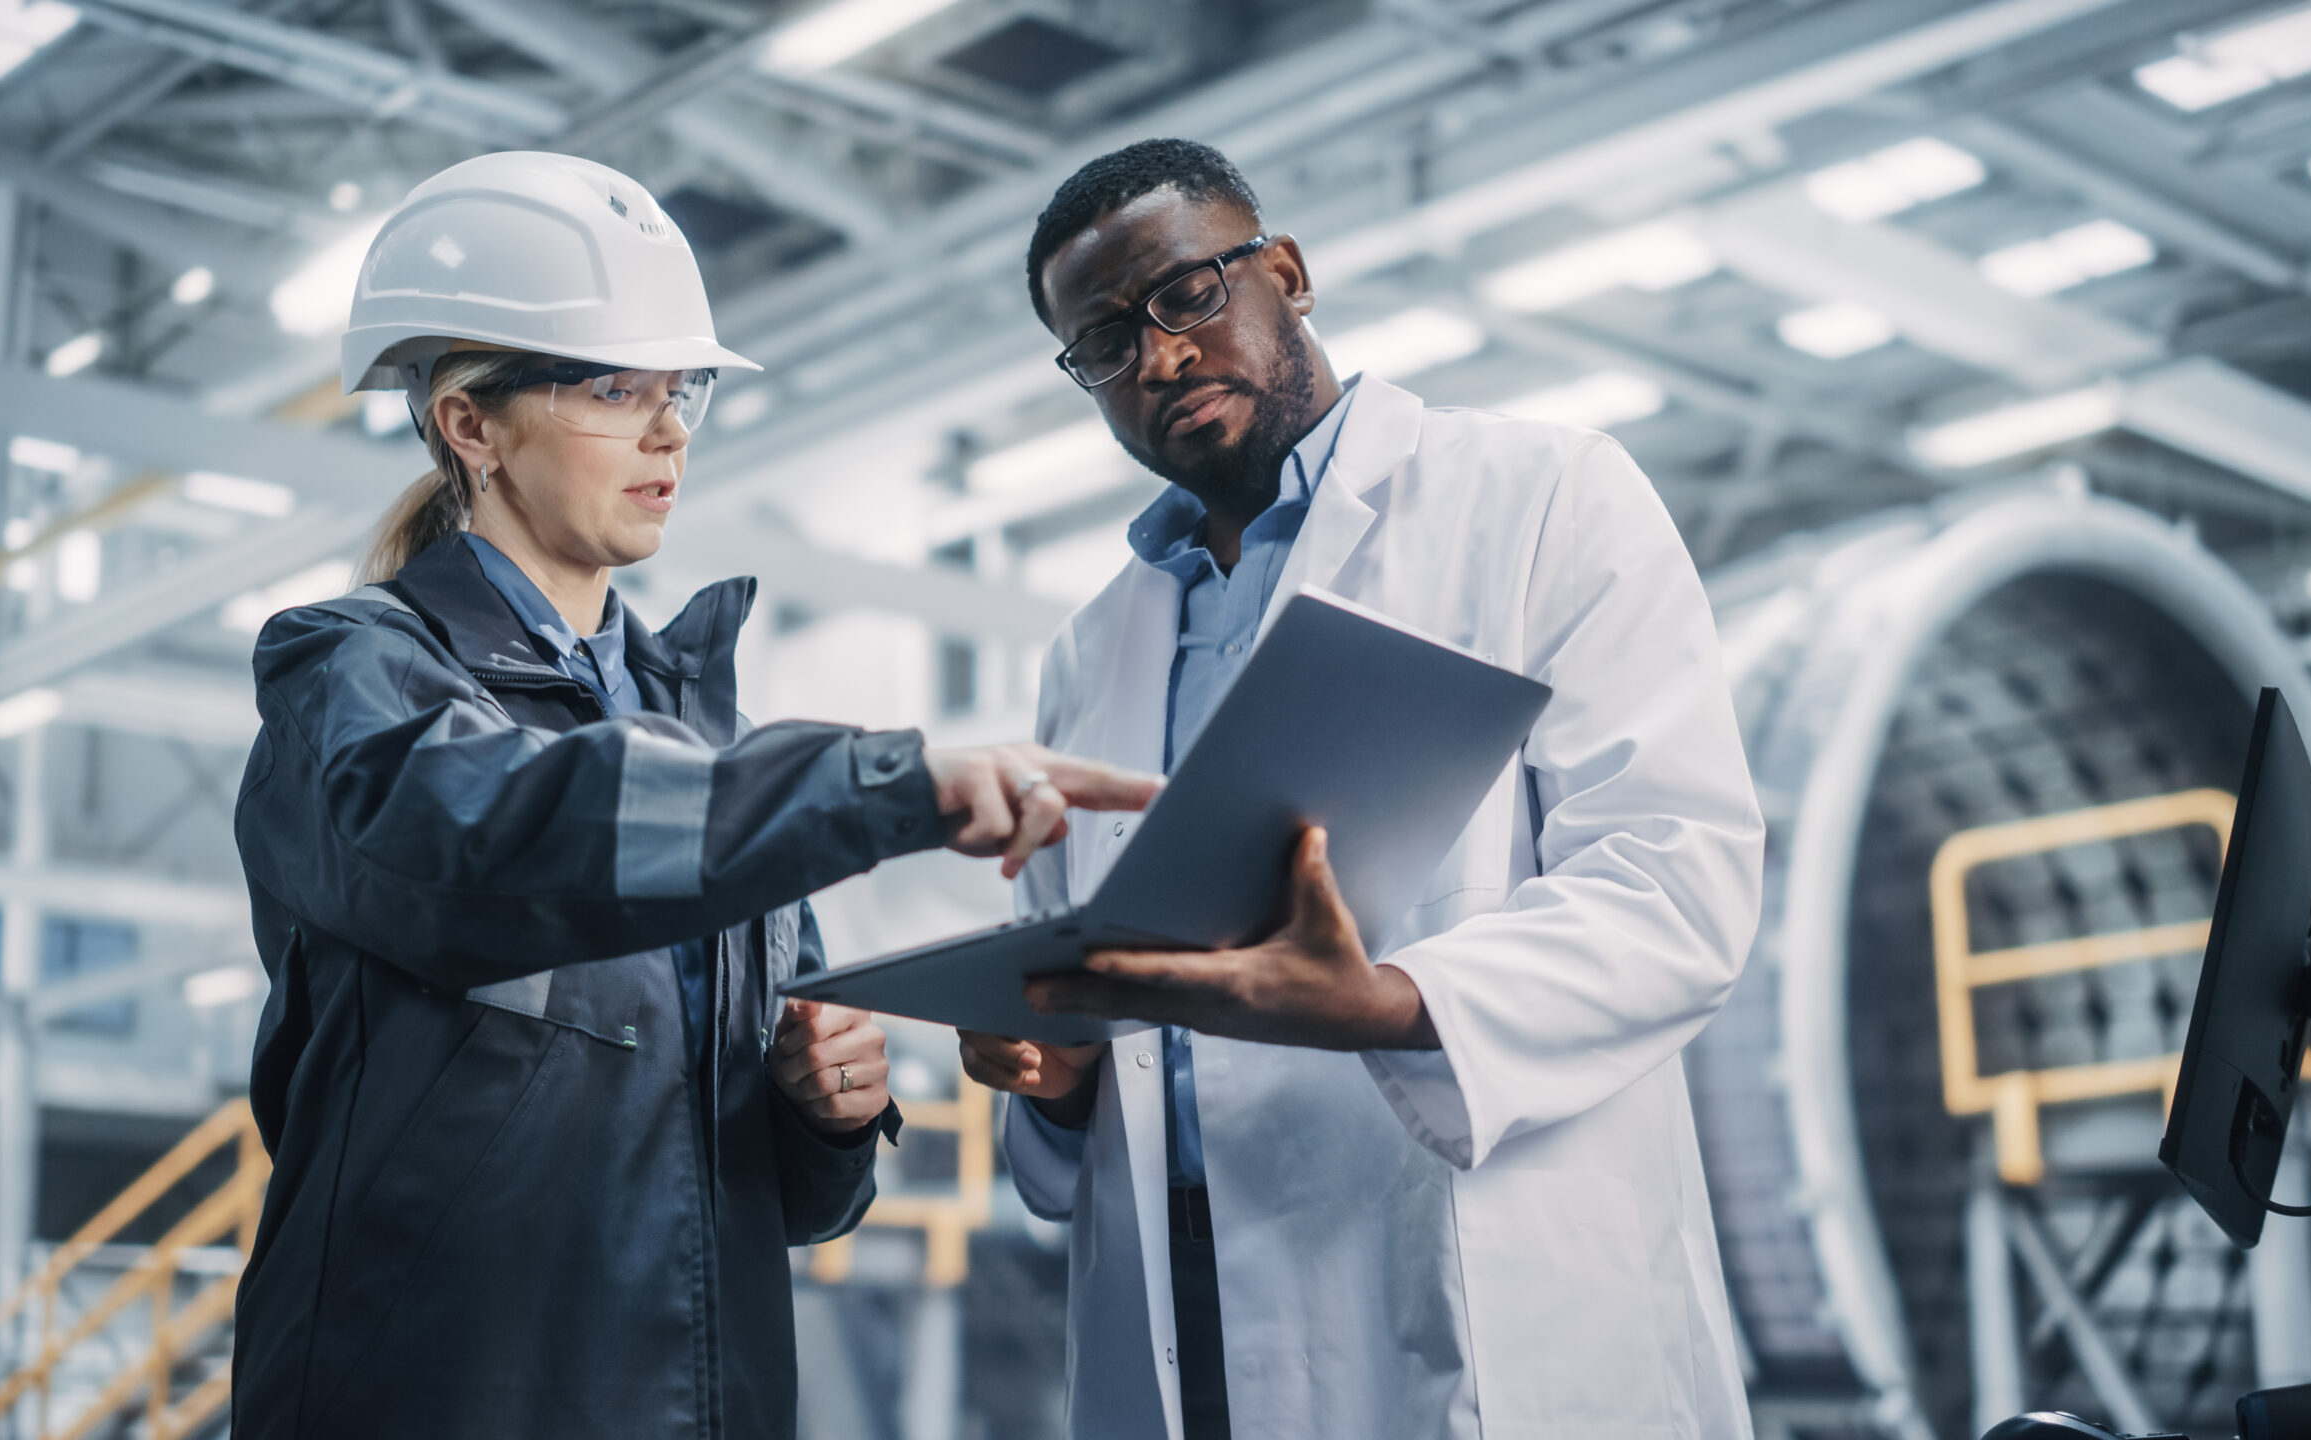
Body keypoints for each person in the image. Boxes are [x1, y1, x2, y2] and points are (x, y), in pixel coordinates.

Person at [229, 151, 1158, 1440]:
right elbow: (496, 833)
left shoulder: (700, 737)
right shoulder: (353, 675)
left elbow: (785, 1203)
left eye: (683, 390)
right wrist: (884, 780)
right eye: (616, 389)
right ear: (470, 423)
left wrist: (824, 1111)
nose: (669, 430)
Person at [956, 139, 1767, 1438]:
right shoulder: (1087, 654)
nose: (1160, 357)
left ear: (1285, 272)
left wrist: (1393, 1003)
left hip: (1468, 1296)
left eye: (1188, 295)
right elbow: (1095, 1005)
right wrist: (1049, 1080)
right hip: (1187, 1331)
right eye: (1104, 342)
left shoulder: (1540, 499)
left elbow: (1677, 885)